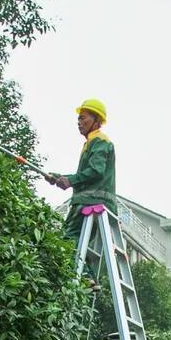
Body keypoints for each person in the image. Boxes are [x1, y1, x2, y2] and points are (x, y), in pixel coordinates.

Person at [47, 98, 117, 242]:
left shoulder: (99, 140)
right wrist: (58, 177)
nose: (78, 122)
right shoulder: (92, 142)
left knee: (67, 242)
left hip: (90, 200)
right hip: (96, 200)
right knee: (82, 249)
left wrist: (70, 181)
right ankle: (84, 266)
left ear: (96, 120)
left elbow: (96, 171)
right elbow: (86, 175)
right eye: (78, 119)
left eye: (82, 118)